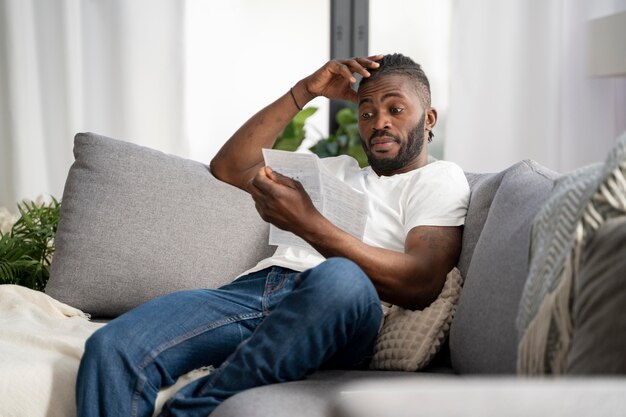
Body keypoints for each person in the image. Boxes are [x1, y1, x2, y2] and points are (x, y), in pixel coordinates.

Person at [76, 53, 470, 417]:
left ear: (429, 119)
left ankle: (194, 409)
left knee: (341, 278)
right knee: (111, 348)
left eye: (395, 109)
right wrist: (305, 91)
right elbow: (230, 167)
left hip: (337, 311)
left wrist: (307, 223)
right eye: (366, 112)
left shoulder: (439, 178)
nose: (378, 121)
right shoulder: (334, 169)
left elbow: (421, 281)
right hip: (253, 293)